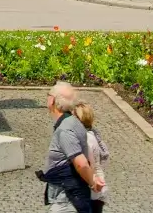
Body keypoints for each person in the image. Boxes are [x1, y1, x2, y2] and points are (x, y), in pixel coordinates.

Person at [36, 82, 96, 213]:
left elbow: (81, 164)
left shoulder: (65, 129)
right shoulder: (73, 122)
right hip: (69, 195)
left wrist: (93, 183)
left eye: (48, 95)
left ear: (52, 100)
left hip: (68, 198)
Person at [73, 101, 109, 213]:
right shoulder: (92, 135)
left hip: (89, 191)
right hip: (95, 190)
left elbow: (85, 166)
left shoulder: (86, 140)